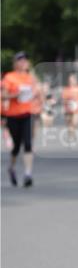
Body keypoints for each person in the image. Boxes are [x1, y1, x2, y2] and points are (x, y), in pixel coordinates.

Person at [1, 52, 40, 187]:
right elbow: (3, 94)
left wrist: (35, 94)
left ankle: (28, 174)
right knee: (16, 146)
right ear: (15, 63)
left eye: (25, 60)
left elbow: (37, 92)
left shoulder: (30, 78)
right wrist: (16, 94)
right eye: (20, 60)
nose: (23, 63)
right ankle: (11, 168)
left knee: (28, 144)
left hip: (27, 114)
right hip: (13, 115)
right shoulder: (9, 77)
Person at [61, 73, 78, 142]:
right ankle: (71, 135)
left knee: (75, 123)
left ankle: (73, 133)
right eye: (70, 80)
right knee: (69, 123)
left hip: (77, 109)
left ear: (76, 81)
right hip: (68, 109)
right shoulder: (66, 89)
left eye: (72, 80)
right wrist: (63, 108)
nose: (71, 81)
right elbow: (63, 100)